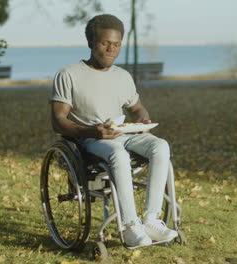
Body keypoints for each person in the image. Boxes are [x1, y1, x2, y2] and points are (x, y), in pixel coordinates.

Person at [49, 14, 177, 247]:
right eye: (105, 43)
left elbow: (136, 108)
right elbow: (58, 120)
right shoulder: (68, 75)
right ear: (90, 42)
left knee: (161, 146)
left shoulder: (123, 76)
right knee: (118, 155)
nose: (111, 49)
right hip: (90, 139)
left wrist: (141, 118)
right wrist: (92, 131)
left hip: (124, 134)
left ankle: (151, 219)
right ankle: (129, 226)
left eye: (116, 44)